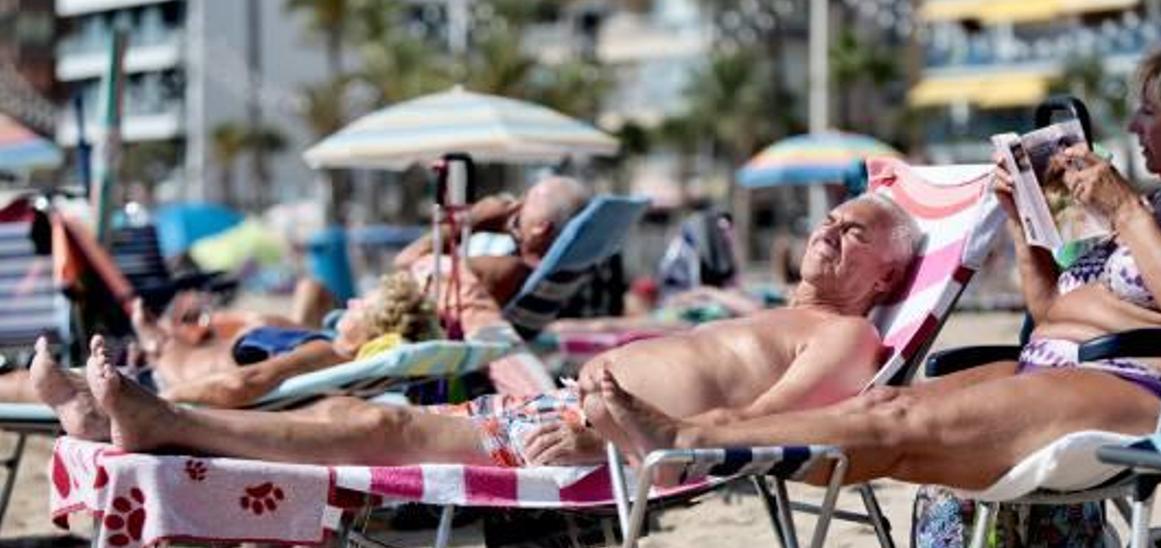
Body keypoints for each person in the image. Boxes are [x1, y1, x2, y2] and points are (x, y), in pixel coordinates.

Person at [592, 16, 1161, 491]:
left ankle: (690, 444)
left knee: (895, 421)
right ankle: (704, 434)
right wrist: (1019, 218)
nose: (1132, 126)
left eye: (1150, 113)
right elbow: (1049, 309)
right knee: (884, 400)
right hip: (1060, 367)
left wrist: (1119, 214)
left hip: (1144, 396)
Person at [44, 194, 921, 468]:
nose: (829, 230)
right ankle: (130, 417)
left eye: (855, 233)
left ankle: (161, 422)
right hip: (563, 416)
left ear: (884, 276)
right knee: (360, 410)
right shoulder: (777, 311)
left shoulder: (847, 340)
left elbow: (763, 431)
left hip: (598, 451)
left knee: (382, 424)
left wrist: (616, 443)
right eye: (831, 218)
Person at [34, 272, 442, 416]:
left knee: (26, 383)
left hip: (156, 387)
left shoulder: (329, 351)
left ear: (374, 325)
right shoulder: (329, 350)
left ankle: (158, 345)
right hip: (160, 378)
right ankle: (158, 342)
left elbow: (243, 384)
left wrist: (143, 403)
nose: (349, 302)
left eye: (361, 304)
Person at [394, 176, 591, 306]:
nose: (514, 206)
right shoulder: (566, 274)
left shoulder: (503, 270)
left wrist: (470, 220)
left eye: (524, 202)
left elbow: (405, 264)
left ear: (540, 228)